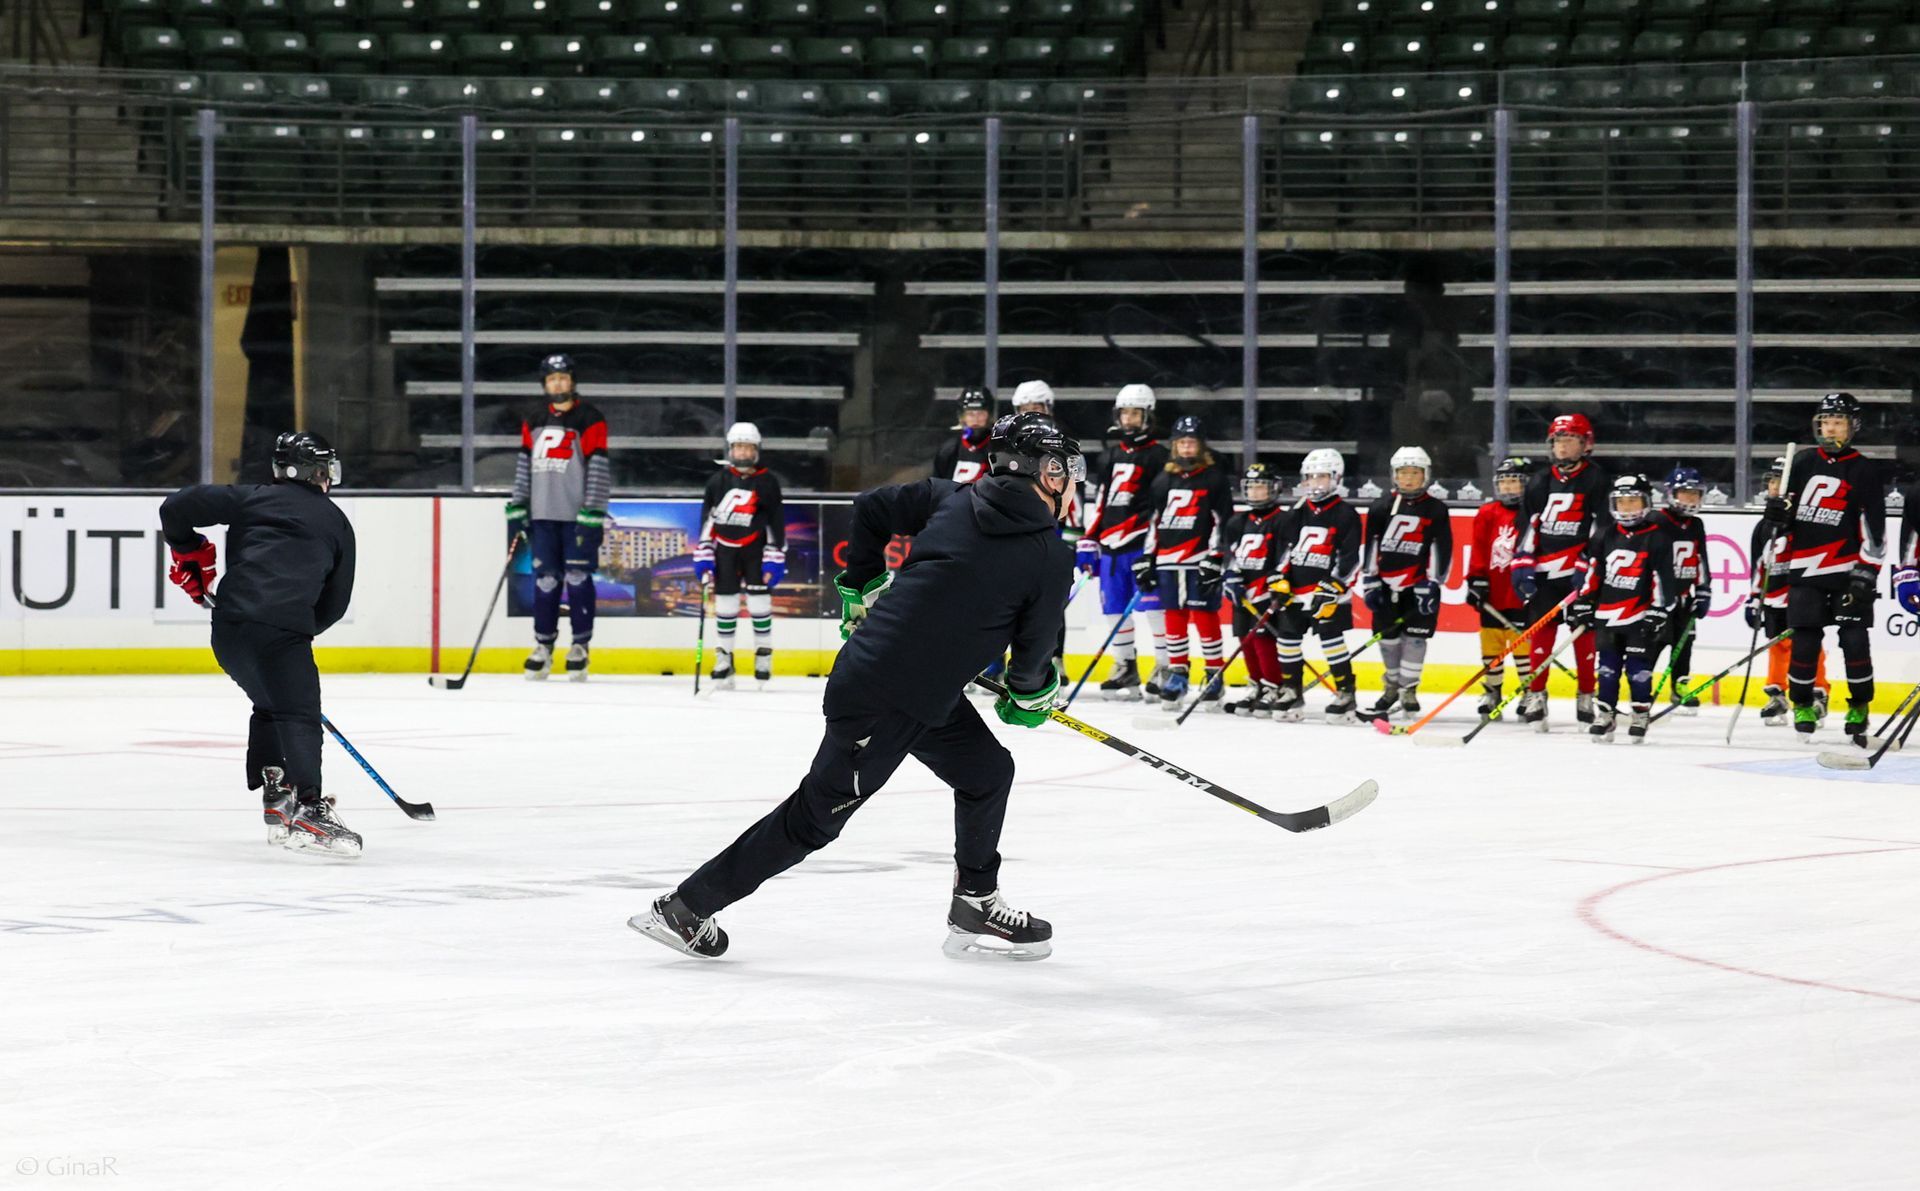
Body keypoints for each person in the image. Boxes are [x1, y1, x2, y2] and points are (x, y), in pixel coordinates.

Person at [631, 412, 1080, 961]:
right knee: (813, 821)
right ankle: (684, 908)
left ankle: (975, 901)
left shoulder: (952, 497)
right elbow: (1030, 672)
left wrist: (861, 587)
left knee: (987, 771)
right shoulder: (1049, 555)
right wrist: (1029, 698)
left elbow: (870, 507)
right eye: (1067, 470)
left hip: (913, 691)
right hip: (883, 701)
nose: (1072, 483)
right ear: (1048, 473)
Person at [159, 432, 360, 855]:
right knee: (299, 712)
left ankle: (277, 787)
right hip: (280, 633)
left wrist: (188, 548)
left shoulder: (251, 498)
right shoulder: (336, 521)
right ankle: (309, 808)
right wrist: (296, 629)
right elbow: (335, 605)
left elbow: (174, 507)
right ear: (320, 472)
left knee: (271, 704)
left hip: (228, 631)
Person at [1767, 392, 1886, 742]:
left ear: (1852, 427)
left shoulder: (1863, 469)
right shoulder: (1801, 462)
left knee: (1854, 641)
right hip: (1805, 570)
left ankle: (1859, 706)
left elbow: (1875, 527)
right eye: (1826, 421)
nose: (1830, 428)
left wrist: (1868, 571)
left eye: (1838, 422)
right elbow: (1785, 519)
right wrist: (1776, 515)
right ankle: (1802, 703)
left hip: (1847, 571)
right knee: (1804, 642)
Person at [507, 353, 610, 681]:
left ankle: (580, 646)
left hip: (577, 516)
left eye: (563, 377)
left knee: (579, 579)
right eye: (552, 379)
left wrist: (593, 510)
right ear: (545, 384)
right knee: (546, 581)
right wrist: (518, 505)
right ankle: (543, 646)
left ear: (573, 381)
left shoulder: (590, 418)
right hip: (542, 515)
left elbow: (598, 467)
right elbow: (524, 465)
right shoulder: (534, 418)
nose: (558, 383)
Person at [1512, 413, 1611, 729]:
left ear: (1585, 444)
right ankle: (1537, 694)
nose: (1563, 447)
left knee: (1584, 634)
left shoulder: (1597, 479)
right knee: (1541, 632)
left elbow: (1602, 527)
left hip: (1580, 573)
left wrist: (1587, 562)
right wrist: (1523, 563)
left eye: (1570, 440)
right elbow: (1529, 525)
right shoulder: (1541, 481)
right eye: (1558, 440)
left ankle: (1585, 694)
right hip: (1545, 572)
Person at [1076, 384, 1171, 699]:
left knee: (1155, 609)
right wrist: (1089, 540)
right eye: (1124, 413)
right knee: (1114, 609)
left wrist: (1156, 549)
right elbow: (1101, 500)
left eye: (1135, 413)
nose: (1128, 419)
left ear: (1148, 416)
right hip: (1111, 546)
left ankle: (1163, 665)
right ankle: (1126, 666)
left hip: (1143, 544)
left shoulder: (1160, 456)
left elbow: (1163, 506)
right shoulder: (1110, 455)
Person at [1134, 416, 1235, 707]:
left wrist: (1216, 558)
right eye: (1182, 442)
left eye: (1192, 442)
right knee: (1173, 617)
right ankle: (1178, 671)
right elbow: (1155, 522)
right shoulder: (1163, 480)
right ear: (1175, 445)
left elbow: (1223, 521)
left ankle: (1214, 673)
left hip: (1199, 561)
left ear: (1201, 446)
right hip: (1167, 562)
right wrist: (1147, 557)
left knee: (1204, 617)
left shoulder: (1214, 478)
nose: (1187, 448)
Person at [1568, 474, 1676, 744]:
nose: (1627, 507)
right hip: (1607, 614)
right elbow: (1595, 572)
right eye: (1622, 502)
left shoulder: (1658, 537)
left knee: (1639, 671)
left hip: (1639, 615)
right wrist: (1584, 600)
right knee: (1607, 670)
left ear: (1646, 502)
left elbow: (1665, 578)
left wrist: (1659, 609)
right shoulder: (1605, 534)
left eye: (1633, 501)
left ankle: (1640, 714)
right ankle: (1605, 715)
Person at [1359, 445, 1453, 720]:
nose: (1409, 478)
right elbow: (1371, 546)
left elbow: (1442, 548)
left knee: (1415, 639)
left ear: (1425, 475)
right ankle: (1391, 686)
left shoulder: (1435, 509)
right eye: (1403, 473)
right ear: (1394, 475)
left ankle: (1409, 689)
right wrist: (1371, 580)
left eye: (1415, 472)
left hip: (1418, 585)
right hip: (1386, 586)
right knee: (1387, 639)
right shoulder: (1380, 507)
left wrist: (1433, 583)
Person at [1272, 448, 1365, 723]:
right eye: (1311, 477)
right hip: (1296, 592)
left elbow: (1350, 558)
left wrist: (1332, 587)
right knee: (1286, 642)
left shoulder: (1346, 513)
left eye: (1322, 477)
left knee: (1332, 643)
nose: (1316, 483)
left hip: (1328, 595)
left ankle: (1345, 693)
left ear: (1336, 478)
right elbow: (1285, 550)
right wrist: (1279, 579)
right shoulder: (1297, 511)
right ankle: (1291, 690)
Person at [694, 422, 786, 689]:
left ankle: (763, 655)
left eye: (748, 447)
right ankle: (724, 658)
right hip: (725, 550)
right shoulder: (717, 481)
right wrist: (703, 554)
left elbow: (776, 521)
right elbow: (707, 520)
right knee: (725, 604)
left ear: (756, 450)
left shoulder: (768, 482)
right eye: (738, 446)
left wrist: (775, 554)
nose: (743, 452)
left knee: (759, 604)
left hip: (756, 550)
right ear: (731, 449)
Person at [1746, 455, 1828, 726]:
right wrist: (1753, 598)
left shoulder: (1804, 522)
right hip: (1773, 596)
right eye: (1771, 480)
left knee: (1808, 644)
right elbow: (1758, 565)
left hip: (1801, 595)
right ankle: (1777, 692)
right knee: (1777, 645)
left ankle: (1817, 692)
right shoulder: (1762, 526)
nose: (1773, 485)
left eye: (1779, 481)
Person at [1216, 462, 1288, 716]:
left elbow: (1285, 556)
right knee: (1243, 637)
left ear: (1273, 489)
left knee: (1263, 639)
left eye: (1262, 487)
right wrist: (1231, 576)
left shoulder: (1282, 520)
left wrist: (1278, 583)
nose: (1256, 492)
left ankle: (1273, 686)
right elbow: (1230, 555)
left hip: (1266, 592)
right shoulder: (1238, 521)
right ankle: (1256, 684)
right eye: (1252, 487)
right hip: (1242, 593)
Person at [1466, 456, 1534, 716]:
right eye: (1503, 482)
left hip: (1521, 592)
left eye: (1514, 482)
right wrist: (1476, 579)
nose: (1507, 488)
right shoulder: (1487, 513)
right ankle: (1492, 690)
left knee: (1524, 646)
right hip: (1493, 591)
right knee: (1491, 644)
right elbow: (1479, 549)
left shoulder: (1534, 513)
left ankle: (1531, 692)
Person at [1657, 466, 1712, 715]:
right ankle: (1641, 686)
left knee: (1684, 643)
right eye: (1684, 494)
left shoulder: (1696, 524)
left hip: (1684, 597)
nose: (1690, 499)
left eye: (1695, 494)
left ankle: (1680, 687)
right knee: (1652, 643)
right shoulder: (1656, 521)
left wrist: (1703, 590)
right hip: (1658, 598)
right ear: (1670, 494)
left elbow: (1701, 559)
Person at [932, 386, 994, 484]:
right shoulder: (949, 450)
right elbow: (937, 487)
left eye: (981, 413)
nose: (976, 419)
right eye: (970, 414)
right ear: (962, 417)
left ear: (989, 415)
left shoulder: (997, 449)